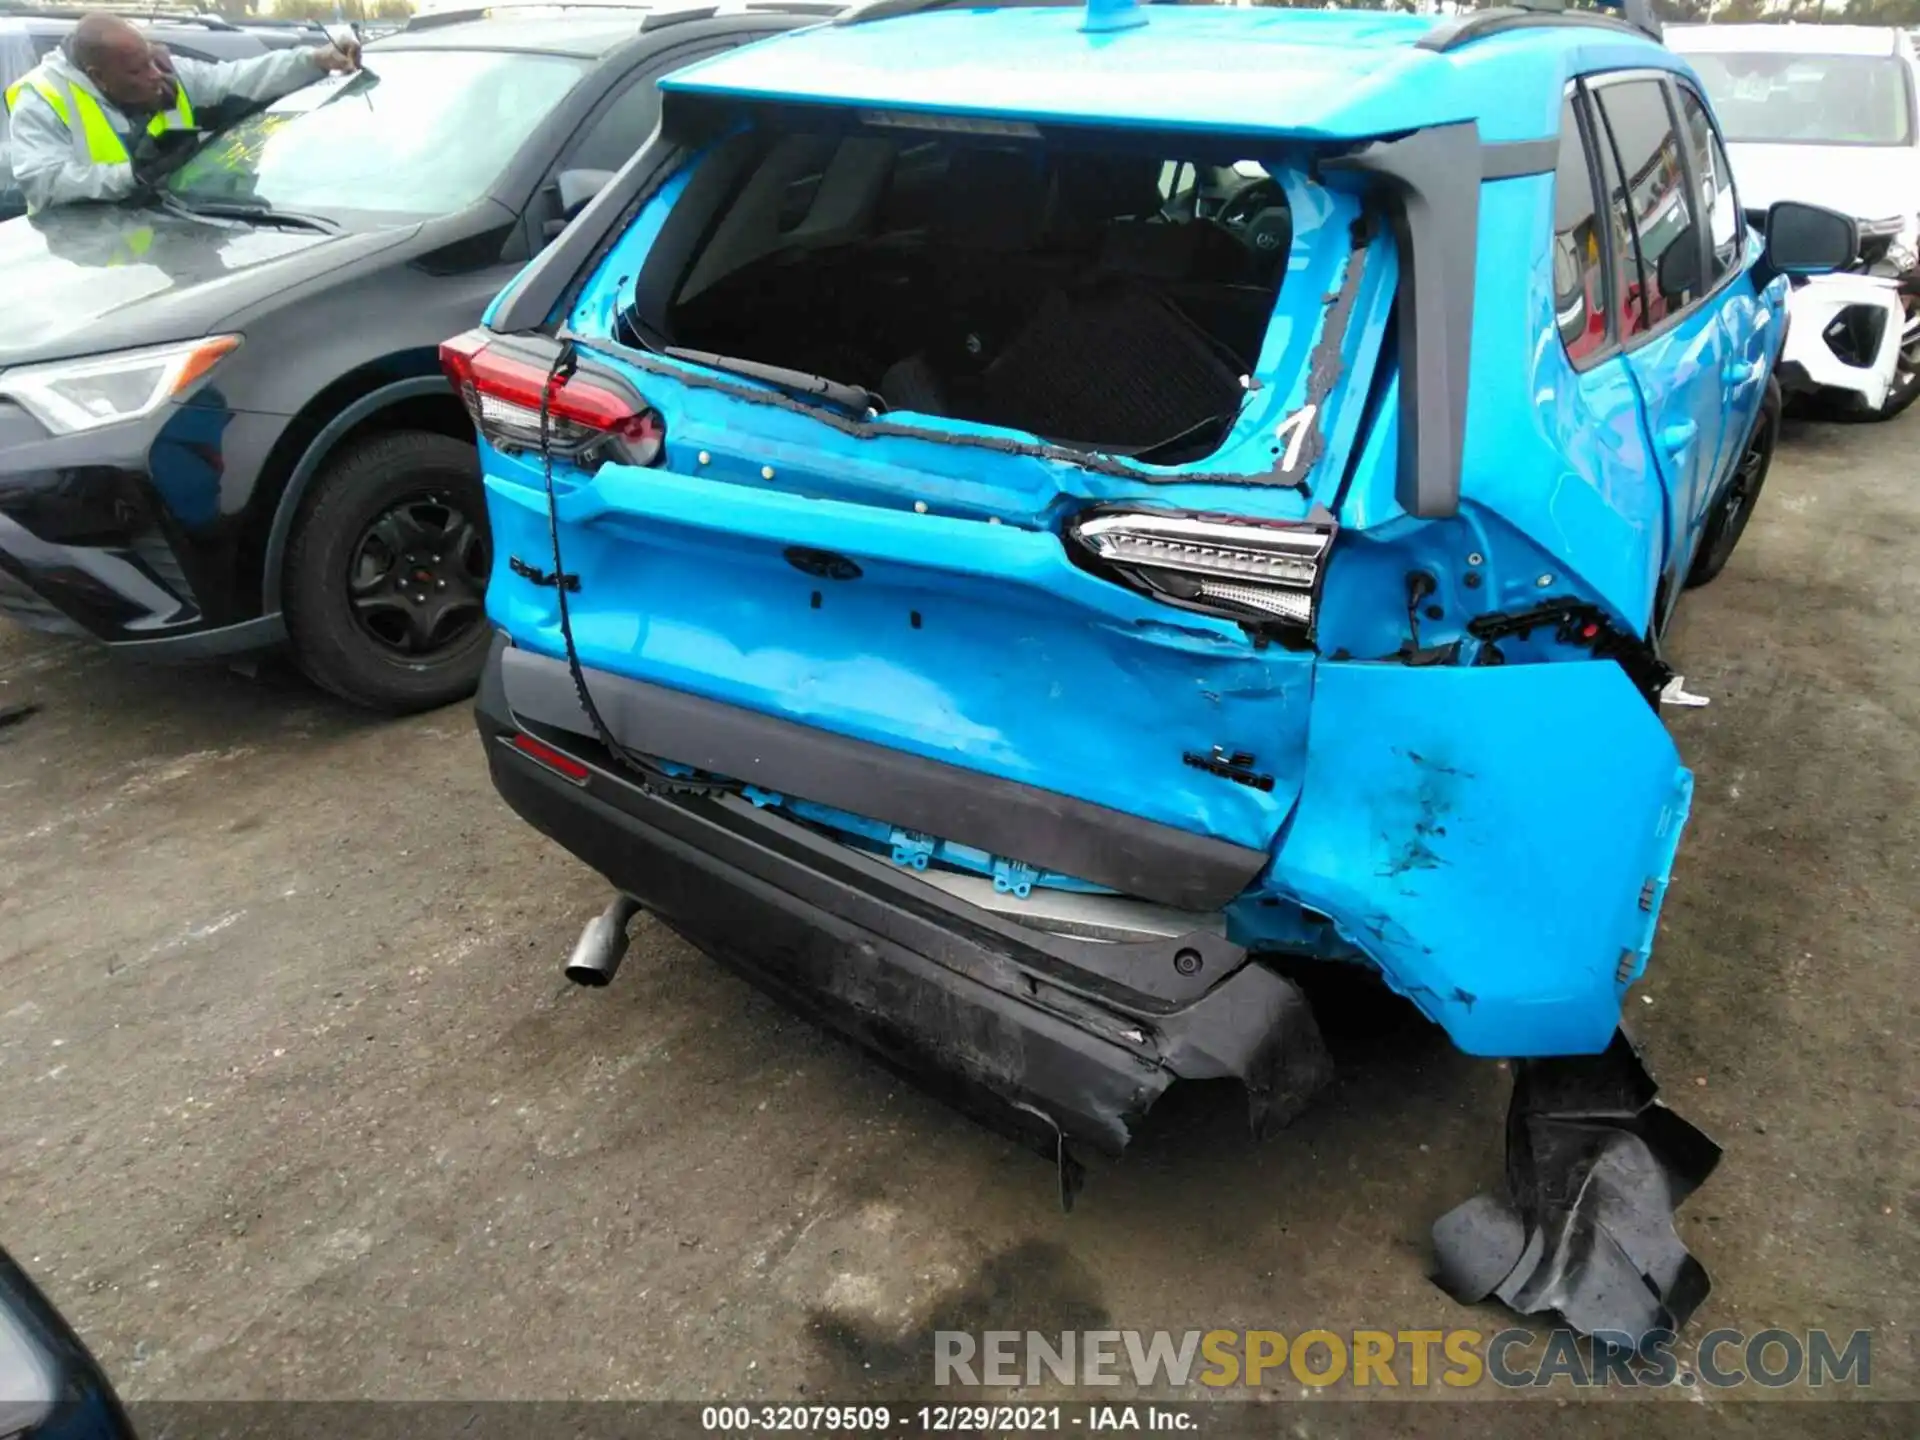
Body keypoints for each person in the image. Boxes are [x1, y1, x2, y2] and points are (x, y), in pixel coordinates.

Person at [4, 13, 359, 216]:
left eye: (149, 60)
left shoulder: (161, 70)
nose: (156, 75)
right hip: (85, 259)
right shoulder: (43, 99)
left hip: (177, 232)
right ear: (98, 76)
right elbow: (43, 182)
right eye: (137, 71)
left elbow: (237, 78)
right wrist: (132, 175)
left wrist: (314, 60)